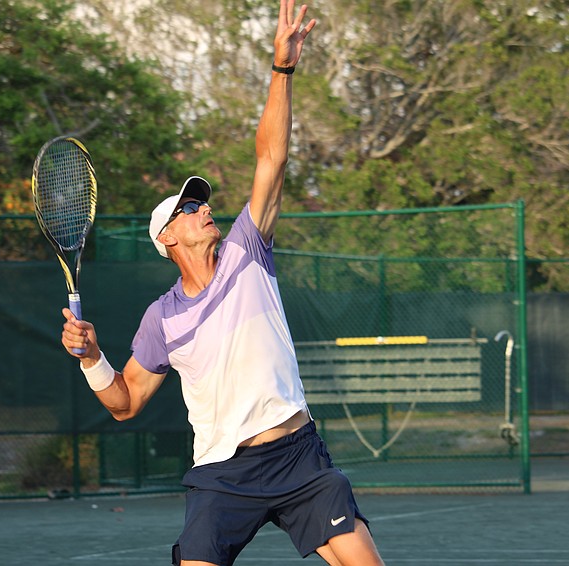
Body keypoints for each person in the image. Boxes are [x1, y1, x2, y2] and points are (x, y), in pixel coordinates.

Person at [61, 2, 385, 564]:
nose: (203, 209)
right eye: (188, 208)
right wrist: (91, 358)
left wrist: (282, 70)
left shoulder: (247, 251)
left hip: (298, 456)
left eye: (203, 202)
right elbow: (125, 402)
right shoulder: (163, 318)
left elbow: (271, 157)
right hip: (223, 472)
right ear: (167, 238)